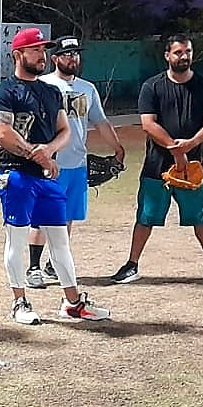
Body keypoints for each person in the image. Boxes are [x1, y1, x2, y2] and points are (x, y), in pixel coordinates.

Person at [0, 27, 111, 325]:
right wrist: (36, 153)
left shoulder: (51, 91)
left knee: (60, 240)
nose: (41, 55)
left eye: (43, 49)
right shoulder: (4, 92)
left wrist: (50, 150)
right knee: (16, 240)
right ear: (18, 55)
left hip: (46, 178)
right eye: (34, 50)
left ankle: (72, 302)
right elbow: (1, 131)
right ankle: (19, 302)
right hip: (16, 174)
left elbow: (64, 129)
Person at [111, 34, 203, 285]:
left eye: (188, 52)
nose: (184, 56)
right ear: (167, 56)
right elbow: (148, 124)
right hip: (157, 165)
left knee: (201, 217)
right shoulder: (152, 86)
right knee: (146, 217)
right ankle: (131, 265)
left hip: (194, 167)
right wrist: (175, 149)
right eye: (178, 52)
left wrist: (190, 145)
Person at [24, 36, 125, 288]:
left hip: (77, 164)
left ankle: (53, 264)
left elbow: (100, 121)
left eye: (76, 54)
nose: (73, 59)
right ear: (55, 58)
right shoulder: (42, 85)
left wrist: (117, 148)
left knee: (65, 218)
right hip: (48, 163)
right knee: (40, 217)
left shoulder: (87, 89)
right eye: (67, 54)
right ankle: (33, 267)